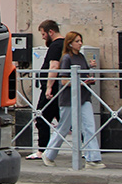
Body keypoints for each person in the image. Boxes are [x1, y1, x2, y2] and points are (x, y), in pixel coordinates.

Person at [42, 31, 105, 169]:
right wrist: (82, 83)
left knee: (89, 126)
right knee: (63, 127)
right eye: (77, 41)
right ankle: (48, 155)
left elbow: (85, 74)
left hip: (83, 97)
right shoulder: (66, 58)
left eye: (81, 40)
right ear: (70, 43)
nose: (80, 43)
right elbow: (64, 81)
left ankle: (92, 159)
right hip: (69, 99)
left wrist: (91, 70)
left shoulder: (81, 57)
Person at [26, 19, 63, 160]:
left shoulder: (55, 46)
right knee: (64, 120)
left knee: (41, 118)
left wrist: (48, 87)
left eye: (43, 34)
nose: (42, 37)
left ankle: (43, 150)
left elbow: (54, 66)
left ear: (50, 32)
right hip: (59, 89)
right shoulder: (66, 43)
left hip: (52, 90)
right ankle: (84, 148)